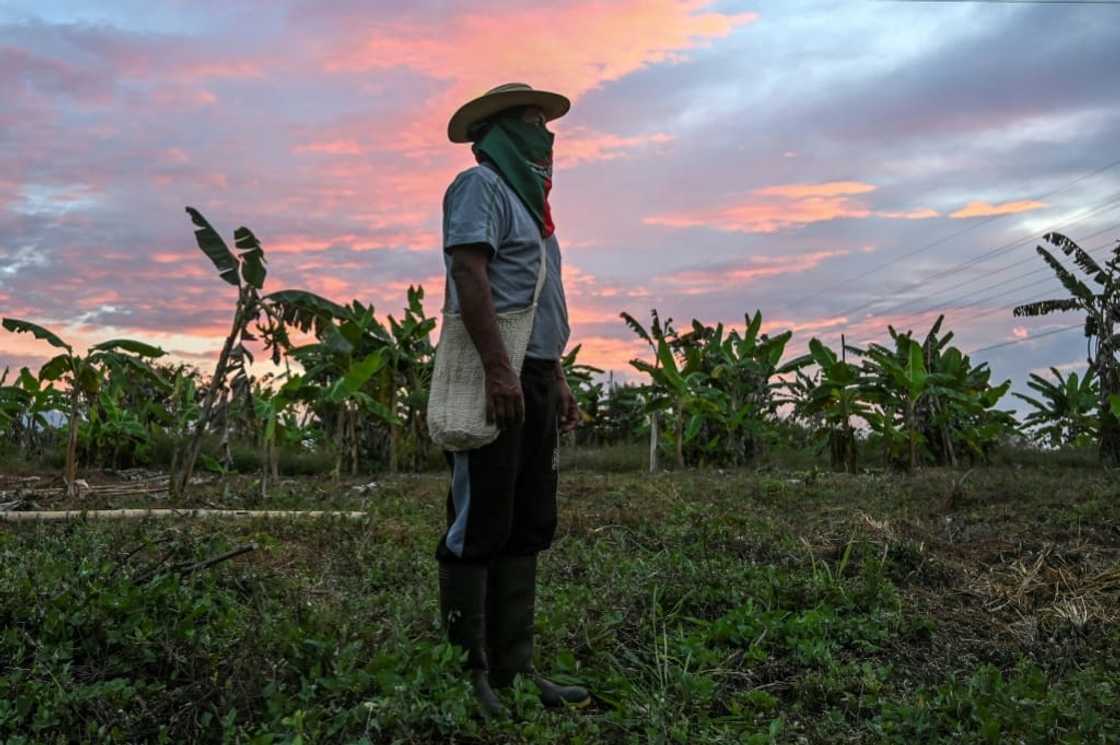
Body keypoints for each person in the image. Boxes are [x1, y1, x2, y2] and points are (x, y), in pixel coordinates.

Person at [434, 82, 590, 718]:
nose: (546, 137)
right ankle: (467, 676)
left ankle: (517, 669)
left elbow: (537, 300)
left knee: (529, 518)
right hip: (494, 372)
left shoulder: (536, 211)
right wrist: (499, 371)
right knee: (480, 523)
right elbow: (470, 274)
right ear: (500, 131)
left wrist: (552, 377)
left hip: (534, 374)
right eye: (533, 123)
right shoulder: (482, 188)